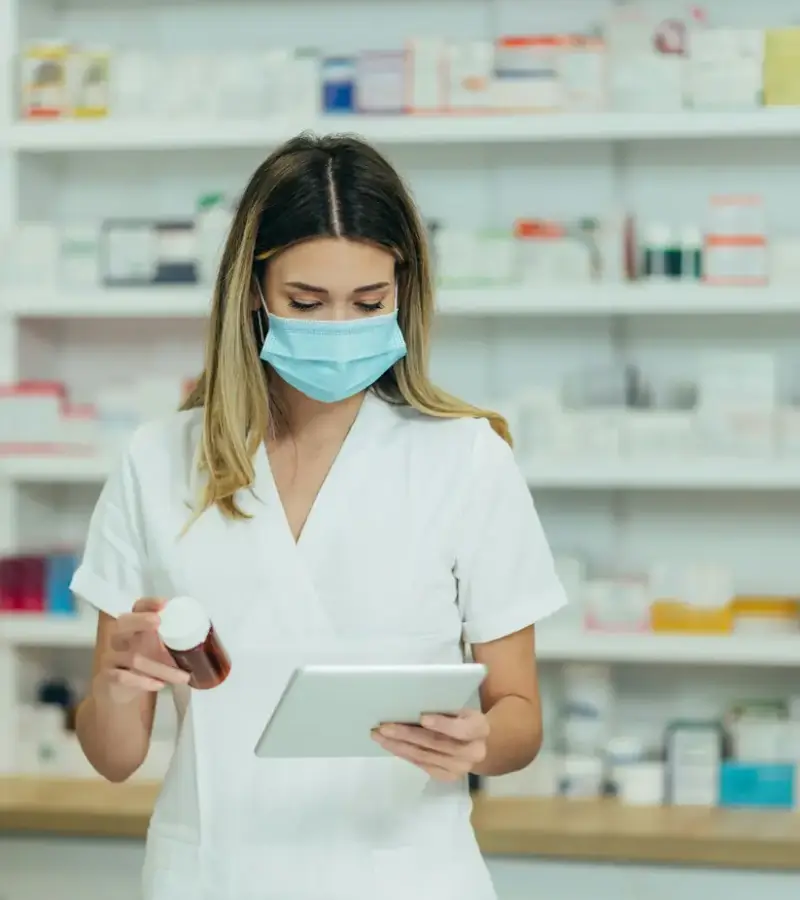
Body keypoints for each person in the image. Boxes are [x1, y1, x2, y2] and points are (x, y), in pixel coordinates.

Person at [71, 133, 567, 900]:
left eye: (369, 303)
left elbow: (520, 717)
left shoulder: (466, 459)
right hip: (212, 874)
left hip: (408, 877)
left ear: (404, 291)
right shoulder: (158, 461)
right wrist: (114, 685)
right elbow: (114, 756)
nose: (339, 326)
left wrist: (479, 741)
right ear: (253, 293)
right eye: (306, 302)